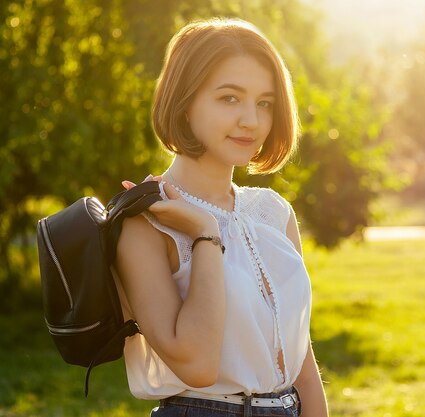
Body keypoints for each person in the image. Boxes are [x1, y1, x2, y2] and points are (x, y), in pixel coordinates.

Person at [113, 18, 329, 417]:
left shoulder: (272, 213)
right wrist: (205, 235)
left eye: (264, 103)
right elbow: (196, 364)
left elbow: (299, 360)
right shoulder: (142, 225)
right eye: (229, 98)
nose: (252, 120)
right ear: (184, 101)